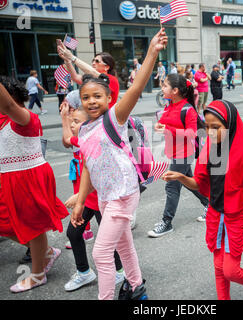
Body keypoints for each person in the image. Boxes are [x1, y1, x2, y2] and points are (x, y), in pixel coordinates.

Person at [71, 28, 168, 300]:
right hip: (105, 195)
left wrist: (151, 52)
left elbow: (136, 89)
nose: (91, 101)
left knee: (101, 253)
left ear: (109, 99)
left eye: (97, 97)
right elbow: (89, 166)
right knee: (124, 247)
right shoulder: (84, 130)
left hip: (123, 194)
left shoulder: (113, 118)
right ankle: (137, 289)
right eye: (86, 97)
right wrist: (80, 202)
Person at [163, 100, 243, 300]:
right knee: (219, 267)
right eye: (207, 127)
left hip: (238, 216)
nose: (209, 133)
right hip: (215, 215)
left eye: (216, 128)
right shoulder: (208, 147)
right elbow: (199, 183)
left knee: (230, 270)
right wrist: (181, 177)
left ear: (230, 125)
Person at [0, 76, 68, 293]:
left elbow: (9, 106)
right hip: (9, 177)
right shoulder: (3, 119)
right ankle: (45, 252)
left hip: (27, 177)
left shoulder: (25, 117)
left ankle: (38, 275)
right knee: (6, 224)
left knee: (34, 227)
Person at [60, 102, 125, 291]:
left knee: (109, 241)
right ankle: (84, 272)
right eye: (73, 122)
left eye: (76, 122)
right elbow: (66, 138)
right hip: (88, 200)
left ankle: (120, 272)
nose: (73, 126)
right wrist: (65, 117)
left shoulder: (96, 141)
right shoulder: (81, 138)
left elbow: (98, 177)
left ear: (89, 124)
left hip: (102, 199)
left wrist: (78, 196)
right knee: (73, 233)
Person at [148, 74, 209, 238]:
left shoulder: (188, 109)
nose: (162, 88)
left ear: (175, 90)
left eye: (165, 85)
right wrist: (160, 124)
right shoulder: (169, 105)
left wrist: (168, 129)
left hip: (184, 153)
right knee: (189, 182)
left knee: (171, 186)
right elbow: (167, 122)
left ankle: (166, 222)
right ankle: (209, 204)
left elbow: (192, 133)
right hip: (174, 151)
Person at [56, 43, 120, 108]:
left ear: (106, 67)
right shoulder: (93, 78)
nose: (93, 63)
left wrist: (71, 57)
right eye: (93, 60)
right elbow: (75, 77)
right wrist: (67, 60)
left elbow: (92, 72)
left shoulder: (112, 79)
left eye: (97, 61)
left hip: (106, 116)